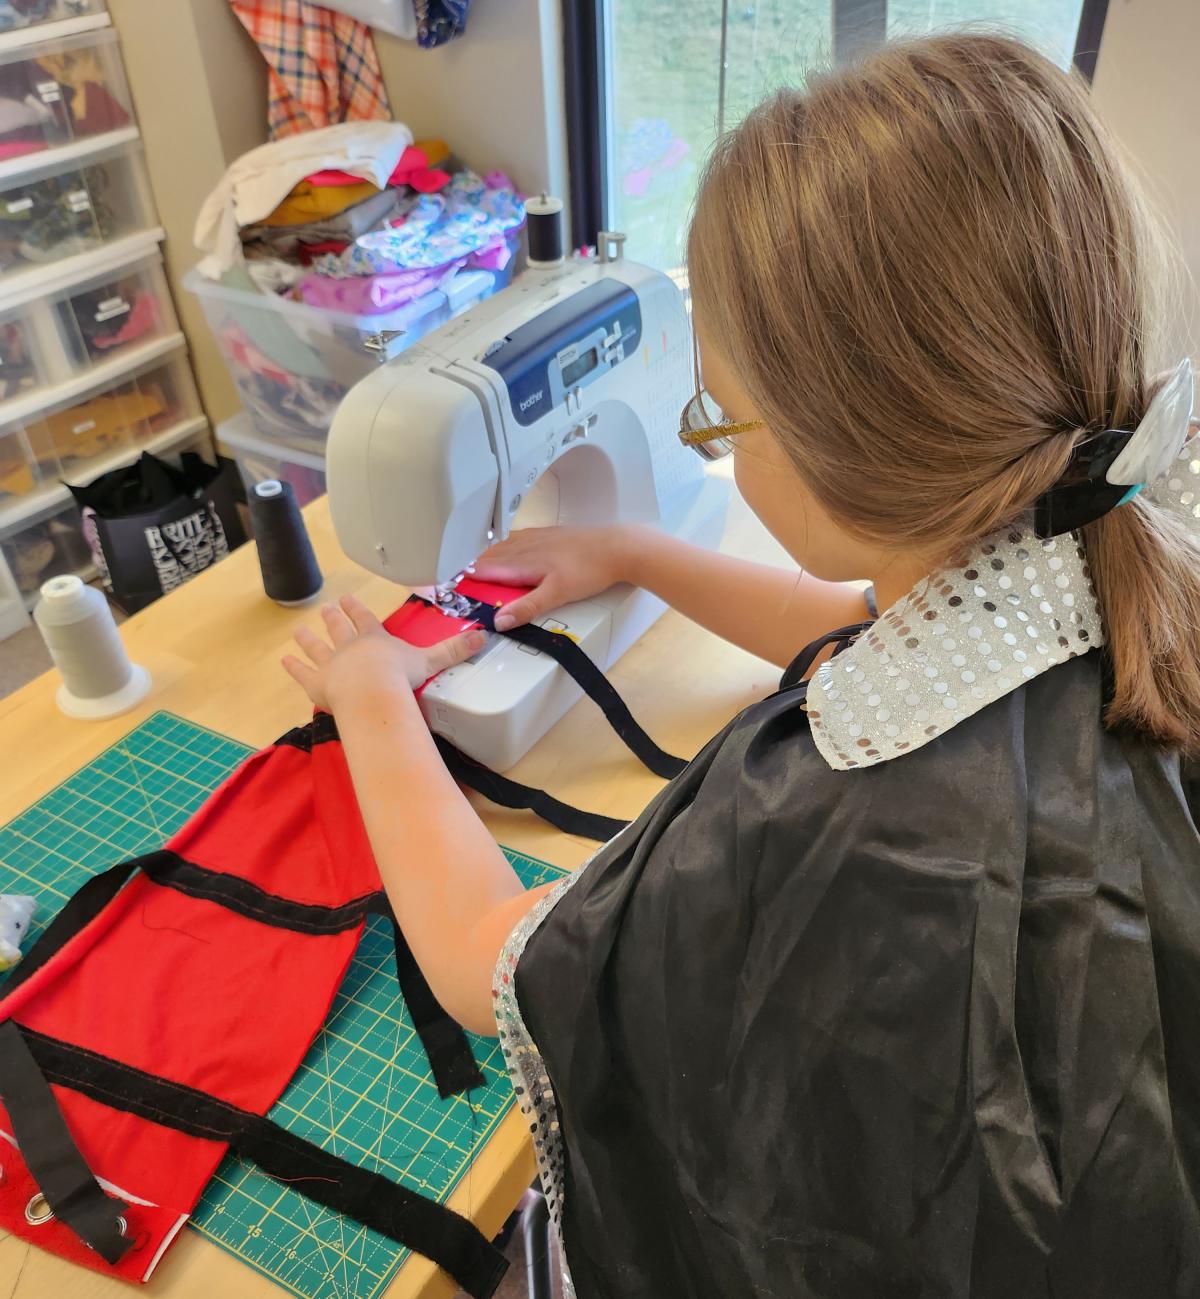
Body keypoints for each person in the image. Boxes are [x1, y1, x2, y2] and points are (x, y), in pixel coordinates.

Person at [282, 32, 1200, 1298]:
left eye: (718, 415)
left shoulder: (822, 825)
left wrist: (374, 699)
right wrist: (640, 552)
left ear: (844, 458)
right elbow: (908, 634)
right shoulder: (1116, 539)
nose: (707, 434)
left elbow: (490, 961)